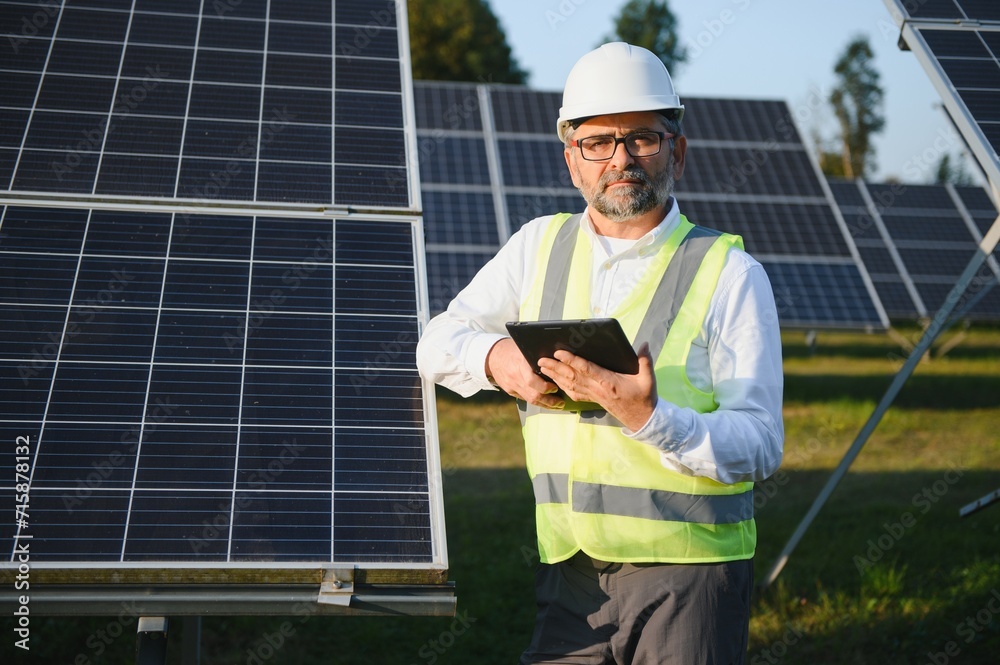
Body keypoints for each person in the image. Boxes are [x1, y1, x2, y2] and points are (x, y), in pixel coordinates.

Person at [416, 42, 784, 664]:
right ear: (572, 161)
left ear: (677, 151)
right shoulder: (538, 245)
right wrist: (499, 361)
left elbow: (762, 443)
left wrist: (650, 418)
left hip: (689, 578)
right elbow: (436, 343)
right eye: (598, 142)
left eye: (643, 138)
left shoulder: (729, 273)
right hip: (570, 574)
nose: (621, 159)